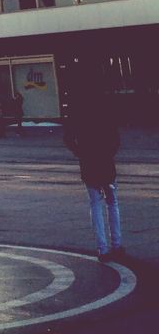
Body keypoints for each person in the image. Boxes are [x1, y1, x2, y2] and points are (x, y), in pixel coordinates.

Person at [64, 90, 125, 262]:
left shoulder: (78, 113)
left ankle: (102, 249)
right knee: (112, 203)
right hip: (106, 163)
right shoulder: (105, 110)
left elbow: (67, 137)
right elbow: (116, 139)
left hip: (89, 164)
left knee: (95, 204)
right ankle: (117, 245)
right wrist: (108, 154)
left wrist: (80, 152)